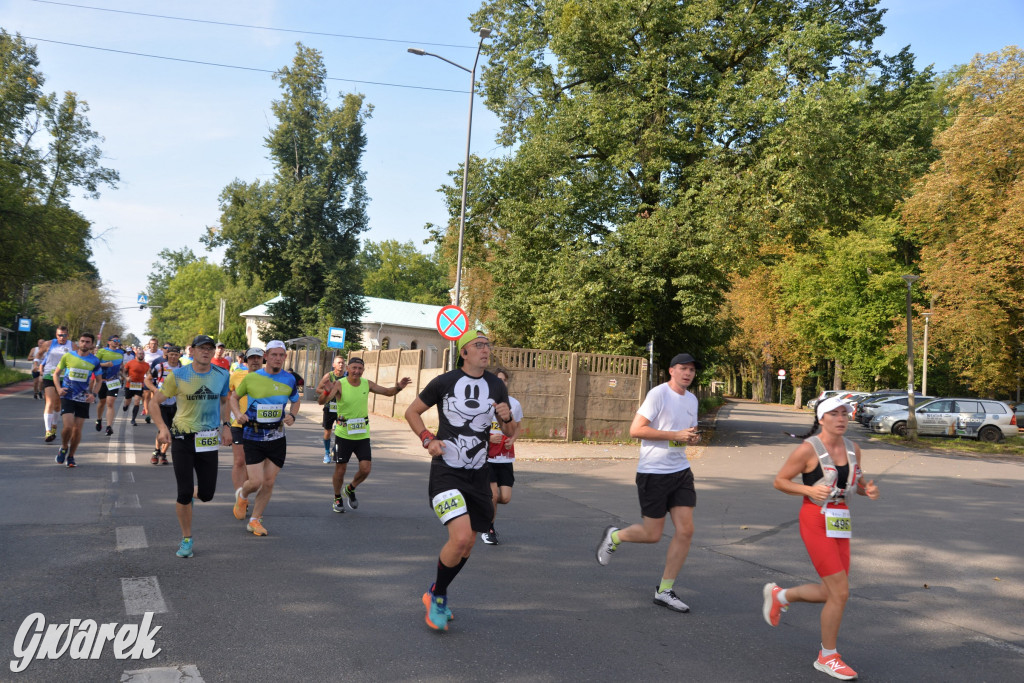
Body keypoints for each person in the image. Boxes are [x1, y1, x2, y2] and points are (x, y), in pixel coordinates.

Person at [405, 329, 517, 631]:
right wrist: (428, 439)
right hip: (446, 472)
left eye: (487, 345)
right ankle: (438, 595)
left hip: (479, 475)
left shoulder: (496, 385)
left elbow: (509, 433)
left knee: (467, 546)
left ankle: (435, 592)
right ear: (464, 353)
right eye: (478, 345)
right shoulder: (445, 382)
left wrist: (507, 418)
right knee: (462, 537)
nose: (485, 349)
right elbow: (412, 411)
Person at [762, 396, 880, 681]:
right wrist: (809, 491)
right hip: (815, 519)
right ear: (822, 418)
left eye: (845, 413)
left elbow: (856, 480)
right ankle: (827, 656)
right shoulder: (807, 449)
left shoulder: (853, 448)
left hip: (840, 520)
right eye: (835, 413)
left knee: (832, 592)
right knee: (840, 592)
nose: (842, 418)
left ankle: (781, 595)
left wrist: (868, 489)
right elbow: (780, 481)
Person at [595, 352, 703, 614]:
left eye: (691, 370)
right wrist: (673, 434)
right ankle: (615, 536)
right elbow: (636, 430)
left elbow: (687, 433)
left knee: (686, 530)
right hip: (654, 472)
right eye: (682, 368)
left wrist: (691, 439)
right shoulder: (658, 394)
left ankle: (664, 590)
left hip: (680, 471)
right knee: (652, 534)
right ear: (671, 371)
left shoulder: (692, 399)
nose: (687, 373)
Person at [150, 335, 231, 559]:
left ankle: (191, 496)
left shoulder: (222, 374)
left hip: (207, 440)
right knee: (184, 492)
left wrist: (226, 426)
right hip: (182, 437)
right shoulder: (178, 375)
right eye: (201, 348)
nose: (206, 352)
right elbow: (154, 402)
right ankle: (187, 538)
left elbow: (224, 400)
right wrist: (161, 428)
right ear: (192, 351)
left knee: (206, 494)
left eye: (210, 348)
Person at [318, 355, 410, 513]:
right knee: (340, 470)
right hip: (343, 434)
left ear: (363, 370)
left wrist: (399, 387)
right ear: (348, 369)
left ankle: (351, 488)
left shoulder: (367, 384)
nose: (356, 371)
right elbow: (321, 401)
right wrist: (326, 391)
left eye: (360, 368)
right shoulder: (340, 384)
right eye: (353, 368)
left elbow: (387, 392)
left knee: (366, 469)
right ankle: (337, 497)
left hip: (362, 434)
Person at [229, 340, 301, 537]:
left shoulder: (289, 379)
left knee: (269, 482)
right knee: (256, 481)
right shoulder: (252, 378)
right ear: (266, 357)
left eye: (281, 355)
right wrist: (237, 414)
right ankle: (242, 496)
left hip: (277, 436)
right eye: (274, 355)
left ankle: (255, 520)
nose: (278, 358)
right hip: (253, 434)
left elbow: (295, 400)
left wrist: (292, 415)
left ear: (285, 357)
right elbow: (234, 398)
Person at [481, 367, 523, 545]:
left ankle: (480, 503)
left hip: (505, 457)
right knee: (493, 496)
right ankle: (488, 530)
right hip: (487, 456)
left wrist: (512, 439)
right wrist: (489, 438)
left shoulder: (514, 404)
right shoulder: (484, 403)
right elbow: (474, 429)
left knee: (504, 497)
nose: (501, 383)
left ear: (507, 382)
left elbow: (518, 427)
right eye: (498, 379)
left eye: (504, 380)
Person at [52, 332, 102, 468]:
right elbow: (56, 374)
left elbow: (99, 381)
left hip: (83, 397)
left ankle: (72, 455)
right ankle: (63, 447)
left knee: (77, 430)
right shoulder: (68, 356)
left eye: (87, 342)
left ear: (91, 345)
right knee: (68, 427)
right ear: (78, 342)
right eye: (82, 341)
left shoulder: (94, 361)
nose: (84, 344)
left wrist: (94, 395)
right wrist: (58, 389)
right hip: (67, 395)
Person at [227, 347, 264, 505]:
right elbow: (230, 396)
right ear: (246, 360)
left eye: (258, 357)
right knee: (240, 461)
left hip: (260, 426)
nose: (255, 360)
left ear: (263, 359)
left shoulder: (269, 377)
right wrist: (228, 421)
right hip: (239, 424)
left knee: (252, 464)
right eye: (252, 357)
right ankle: (239, 498)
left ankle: (245, 491)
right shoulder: (237, 375)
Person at [36, 326, 74, 442]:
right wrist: (37, 366)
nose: (62, 337)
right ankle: (48, 431)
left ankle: (54, 426)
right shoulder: (48, 344)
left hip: (64, 377)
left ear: (68, 335)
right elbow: (38, 355)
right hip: (49, 375)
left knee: (58, 404)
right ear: (56, 335)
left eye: (64, 335)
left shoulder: (72, 345)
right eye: (59, 335)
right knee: (50, 402)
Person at [146, 345, 182, 465]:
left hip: (176, 404)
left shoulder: (183, 369)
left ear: (179, 356)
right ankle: (156, 451)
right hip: (161, 403)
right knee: (164, 428)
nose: (173, 357)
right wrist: (154, 389)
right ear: (167, 355)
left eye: (176, 355)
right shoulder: (160, 366)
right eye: (171, 354)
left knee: (172, 431)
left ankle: (163, 453)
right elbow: (147, 380)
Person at [315, 356, 347, 464]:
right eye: (338, 363)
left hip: (342, 409)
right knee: (327, 431)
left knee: (341, 431)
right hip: (329, 407)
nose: (341, 365)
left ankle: (335, 448)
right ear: (334, 364)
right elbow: (318, 389)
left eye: (342, 363)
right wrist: (329, 392)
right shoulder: (329, 376)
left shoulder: (348, 377)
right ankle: (326, 453)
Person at [94, 336, 126, 436]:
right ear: (109, 342)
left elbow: (121, 366)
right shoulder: (102, 351)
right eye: (115, 341)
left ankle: (108, 427)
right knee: (102, 402)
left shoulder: (121, 352)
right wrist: (105, 365)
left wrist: (123, 375)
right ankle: (99, 419)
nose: (117, 342)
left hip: (114, 381)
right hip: (102, 380)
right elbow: (95, 364)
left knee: (110, 403)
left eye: (118, 341)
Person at [122, 351, 152, 426]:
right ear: (136, 355)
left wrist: (149, 377)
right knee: (127, 401)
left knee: (137, 401)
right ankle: (125, 406)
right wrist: (126, 378)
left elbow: (148, 373)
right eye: (140, 354)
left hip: (139, 385)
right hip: (129, 385)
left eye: (143, 354)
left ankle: (133, 419)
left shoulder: (146, 365)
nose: (141, 355)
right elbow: (123, 372)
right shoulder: (130, 362)